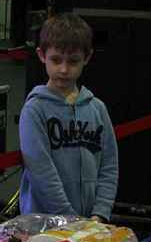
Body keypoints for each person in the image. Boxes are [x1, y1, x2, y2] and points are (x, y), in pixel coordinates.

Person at [18, 13, 119, 221]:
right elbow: (41, 173)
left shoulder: (98, 109)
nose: (64, 69)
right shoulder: (34, 109)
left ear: (87, 58)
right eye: (56, 60)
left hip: (90, 224)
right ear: (41, 55)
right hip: (44, 225)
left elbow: (109, 166)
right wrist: (71, 220)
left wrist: (100, 213)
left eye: (73, 61)